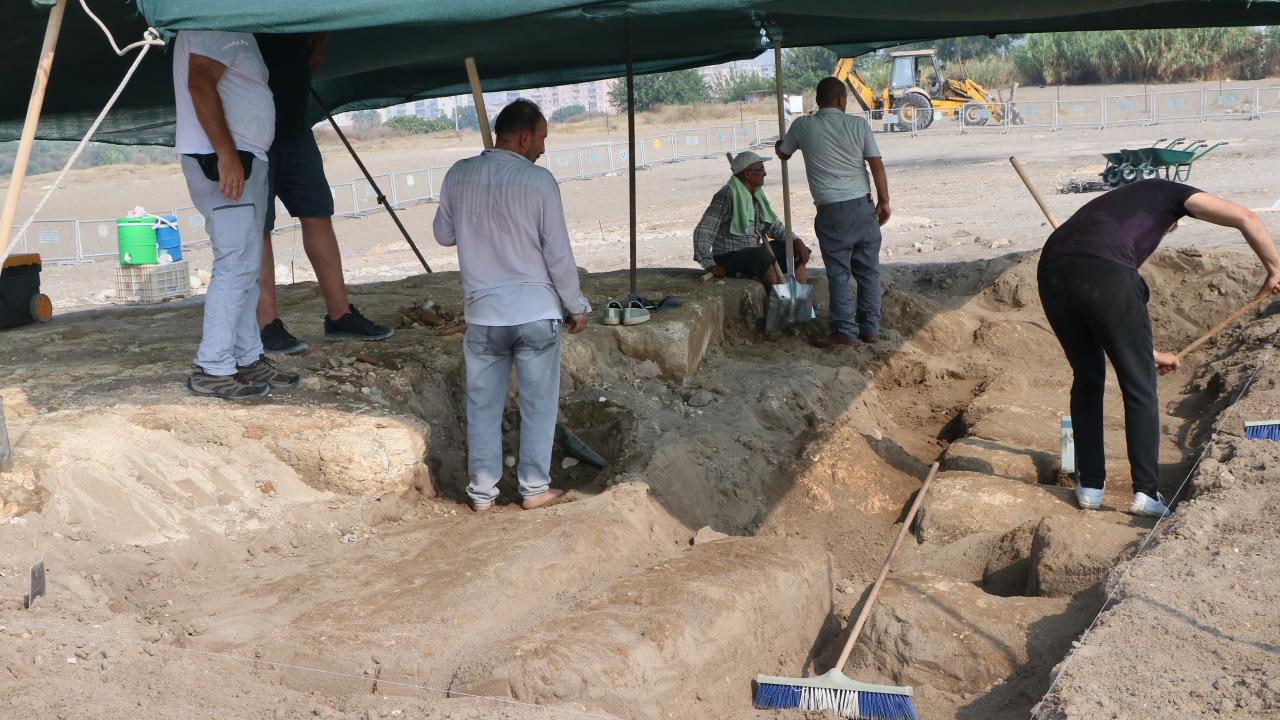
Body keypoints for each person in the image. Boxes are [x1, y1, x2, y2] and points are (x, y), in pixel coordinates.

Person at [1038, 179, 1280, 517]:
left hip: (1052, 269)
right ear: (1172, 218)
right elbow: (1246, 217)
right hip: (1105, 272)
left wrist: (1150, 354)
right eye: (1169, 230)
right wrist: (1274, 269)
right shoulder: (1174, 194)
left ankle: (1089, 485)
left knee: (1088, 377)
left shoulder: (1112, 211)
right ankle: (1146, 493)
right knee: (1139, 385)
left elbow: (1110, 325)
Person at [432, 99, 591, 513]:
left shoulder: (459, 174)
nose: (542, 148)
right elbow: (558, 254)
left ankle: (482, 494)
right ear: (524, 137)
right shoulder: (539, 182)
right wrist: (576, 305)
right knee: (539, 402)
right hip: (536, 311)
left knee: (482, 405)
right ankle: (534, 487)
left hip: (484, 315)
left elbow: (443, 234)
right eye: (541, 138)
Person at [175, 30, 299, 400]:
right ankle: (212, 366)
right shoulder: (215, 21)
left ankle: (246, 357)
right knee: (235, 264)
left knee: (245, 265)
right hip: (227, 158)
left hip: (240, 156)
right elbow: (200, 82)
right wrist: (227, 154)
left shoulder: (226, 22)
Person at [253, 32, 393, 355]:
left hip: (294, 126)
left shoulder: (302, 17)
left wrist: (321, 34)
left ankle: (340, 315)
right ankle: (267, 325)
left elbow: (313, 58)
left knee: (317, 211)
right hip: (255, 131)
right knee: (258, 226)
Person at [776, 76, 891, 348]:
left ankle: (846, 333)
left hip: (831, 212)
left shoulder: (803, 125)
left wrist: (782, 145)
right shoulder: (858, 124)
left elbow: (783, 153)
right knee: (869, 272)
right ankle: (871, 329)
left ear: (817, 101)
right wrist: (884, 201)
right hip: (863, 207)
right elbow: (876, 165)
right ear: (841, 100)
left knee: (839, 274)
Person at [693, 150, 812, 285]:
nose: (765, 173)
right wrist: (710, 264)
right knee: (761, 257)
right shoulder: (726, 195)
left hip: (753, 253)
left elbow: (773, 226)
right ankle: (774, 299)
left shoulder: (757, 195)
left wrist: (795, 240)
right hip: (729, 256)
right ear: (748, 174)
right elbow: (703, 231)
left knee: (795, 251)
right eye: (761, 169)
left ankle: (801, 301)